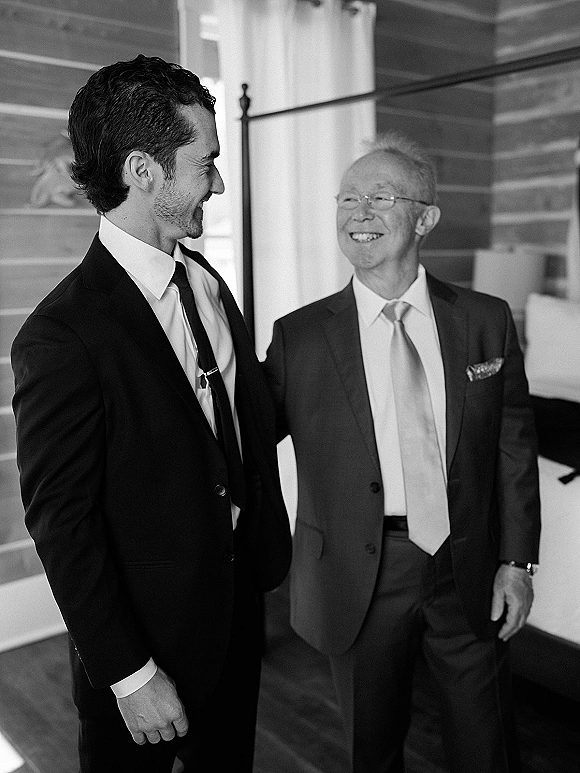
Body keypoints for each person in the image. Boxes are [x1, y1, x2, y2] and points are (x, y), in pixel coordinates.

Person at [11, 55, 291, 773]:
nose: (218, 184)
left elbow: (238, 418)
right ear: (142, 170)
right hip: (145, 641)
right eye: (206, 164)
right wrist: (130, 675)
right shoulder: (61, 335)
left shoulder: (206, 279)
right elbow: (62, 522)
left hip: (236, 607)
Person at [263, 132, 541, 773]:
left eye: (380, 197)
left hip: (467, 566)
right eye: (347, 198)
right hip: (361, 573)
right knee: (372, 751)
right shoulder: (300, 336)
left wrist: (518, 562)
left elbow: (513, 448)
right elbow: (246, 436)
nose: (359, 212)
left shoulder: (486, 320)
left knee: (487, 747)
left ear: (425, 218)